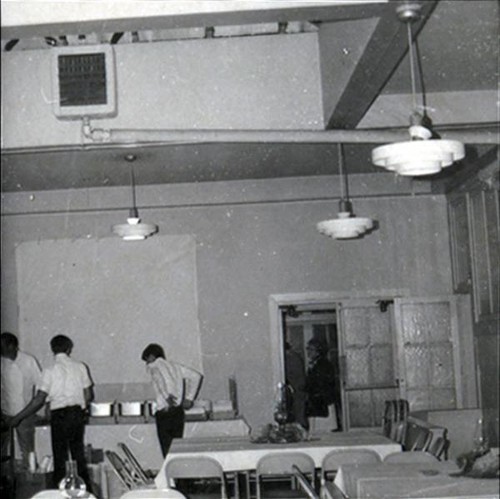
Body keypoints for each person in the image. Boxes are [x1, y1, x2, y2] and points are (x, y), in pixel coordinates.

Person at [9, 335, 93, 489]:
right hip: (76, 414)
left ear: (52, 350)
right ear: (69, 349)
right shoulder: (80, 366)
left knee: (60, 457)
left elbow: (39, 399)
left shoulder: (49, 371)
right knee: (78, 454)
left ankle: (59, 494)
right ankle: (86, 493)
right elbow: (88, 395)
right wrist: (81, 408)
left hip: (59, 416)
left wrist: (18, 417)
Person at [141, 343, 203, 457]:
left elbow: (161, 380)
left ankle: (171, 474)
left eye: (147, 360)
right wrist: (189, 398)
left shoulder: (154, 366)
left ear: (152, 356)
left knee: (167, 451)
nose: (147, 363)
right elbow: (196, 376)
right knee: (176, 449)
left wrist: (167, 396)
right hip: (178, 412)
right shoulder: (175, 366)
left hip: (165, 412)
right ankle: (177, 474)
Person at [1, 332, 42, 471]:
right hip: (5, 414)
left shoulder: (28, 361)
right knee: (4, 452)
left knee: (27, 451)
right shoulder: (1, 362)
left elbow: (40, 386)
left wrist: (37, 410)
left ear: (12, 346)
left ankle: (29, 481)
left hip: (25, 413)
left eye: (3, 347)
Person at [304, 338, 340, 432]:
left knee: (324, 430)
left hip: (323, 403)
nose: (308, 352)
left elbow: (322, 384)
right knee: (316, 429)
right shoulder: (315, 364)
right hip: (317, 403)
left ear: (318, 351)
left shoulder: (324, 365)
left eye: (311, 349)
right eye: (307, 349)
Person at [284, 342, 308, 429]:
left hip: (297, 389)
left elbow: (291, 375)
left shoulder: (291, 358)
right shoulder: (295, 357)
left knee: (299, 415)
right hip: (298, 388)